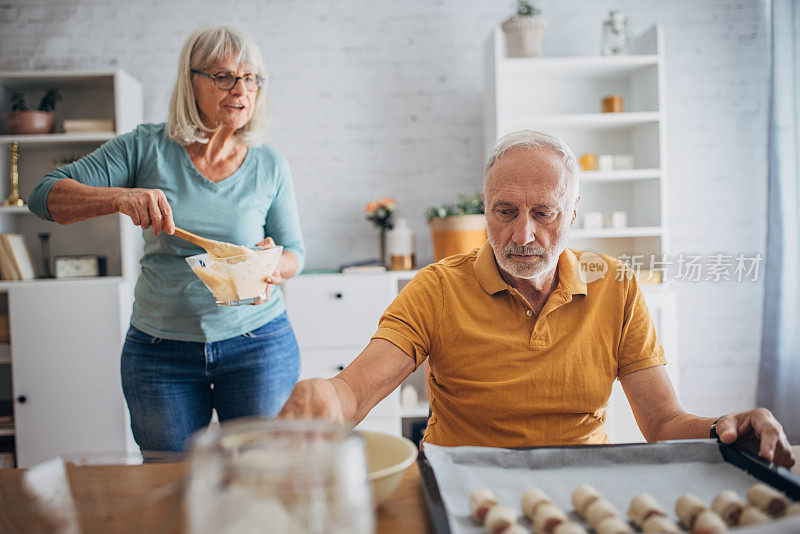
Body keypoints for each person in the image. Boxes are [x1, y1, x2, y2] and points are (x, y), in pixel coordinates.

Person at [278, 130, 795, 469]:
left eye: (543, 213)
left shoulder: (616, 286)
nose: (521, 234)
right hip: (460, 484)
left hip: (580, 487)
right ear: (485, 209)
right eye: (504, 211)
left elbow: (661, 424)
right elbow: (354, 392)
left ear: (573, 212)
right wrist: (326, 397)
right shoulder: (436, 287)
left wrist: (723, 429)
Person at [28, 26, 306, 452]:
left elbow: (295, 253)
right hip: (159, 354)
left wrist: (271, 265)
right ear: (190, 81)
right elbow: (43, 195)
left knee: (257, 479)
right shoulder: (146, 147)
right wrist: (119, 197)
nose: (241, 89)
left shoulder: (270, 164)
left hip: (258, 347)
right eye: (223, 76)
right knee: (172, 485)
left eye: (251, 78)